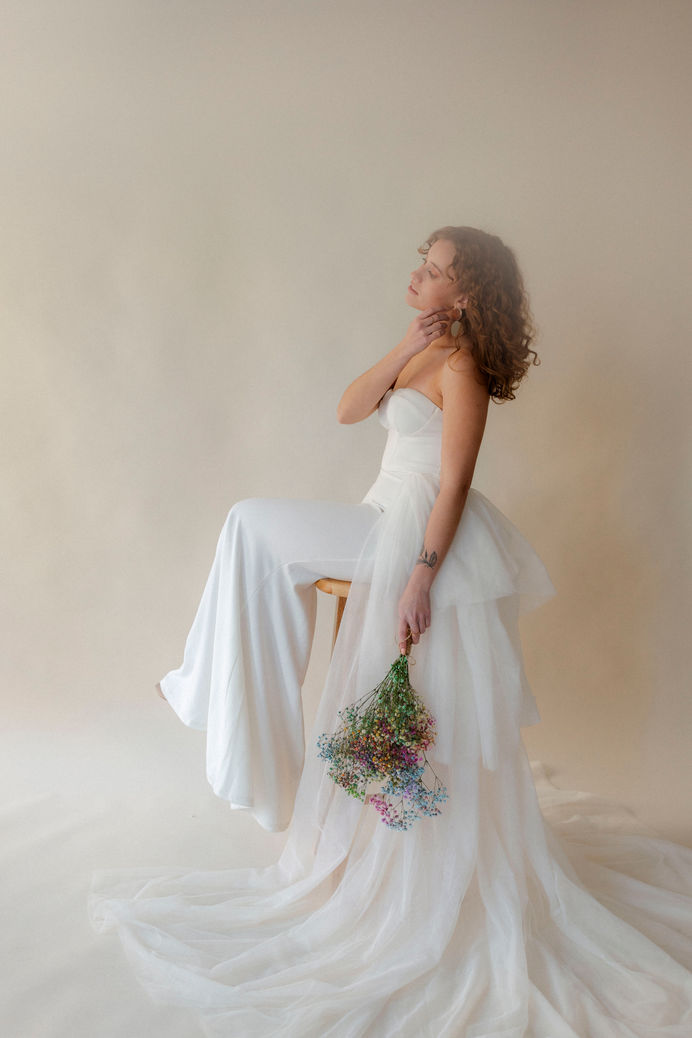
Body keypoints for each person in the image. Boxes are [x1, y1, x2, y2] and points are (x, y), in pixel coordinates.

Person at [89, 226, 692, 1036]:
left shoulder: (465, 366)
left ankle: (211, 703)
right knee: (252, 540)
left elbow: (454, 483)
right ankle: (218, 702)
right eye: (423, 263)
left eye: (435, 271)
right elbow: (347, 410)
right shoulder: (423, 350)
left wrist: (421, 572)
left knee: (249, 525)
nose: (418, 275)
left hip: (411, 530)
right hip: (377, 518)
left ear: (468, 292)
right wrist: (403, 343)